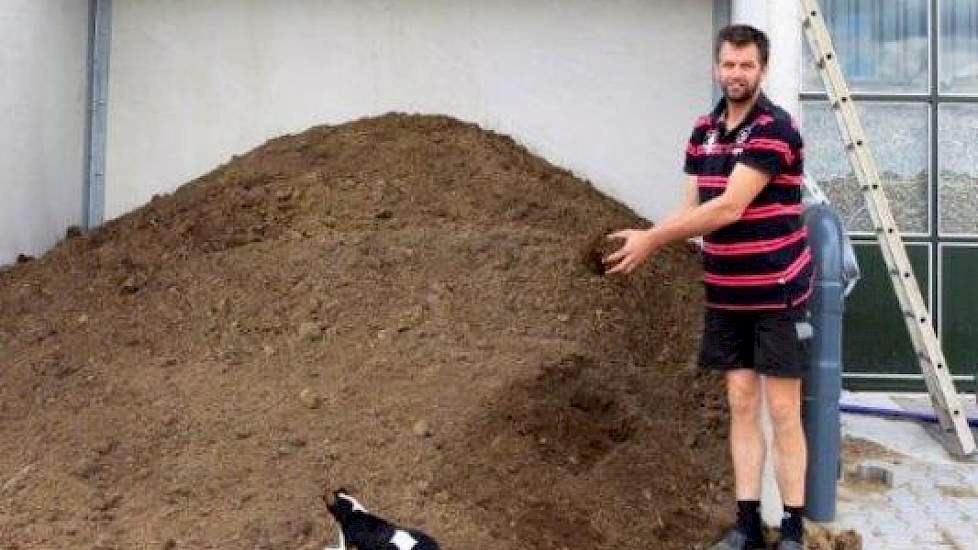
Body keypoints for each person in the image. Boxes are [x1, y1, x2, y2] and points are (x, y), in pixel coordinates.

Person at [603, 24, 812, 550]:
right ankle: (746, 525)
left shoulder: (775, 129)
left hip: (775, 290)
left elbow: (729, 207)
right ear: (717, 68)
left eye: (747, 65)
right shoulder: (703, 130)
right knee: (741, 402)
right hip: (725, 291)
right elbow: (691, 207)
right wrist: (646, 239)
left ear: (762, 70)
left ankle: (791, 528)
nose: (736, 74)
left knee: (784, 410)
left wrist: (652, 240)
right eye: (728, 64)